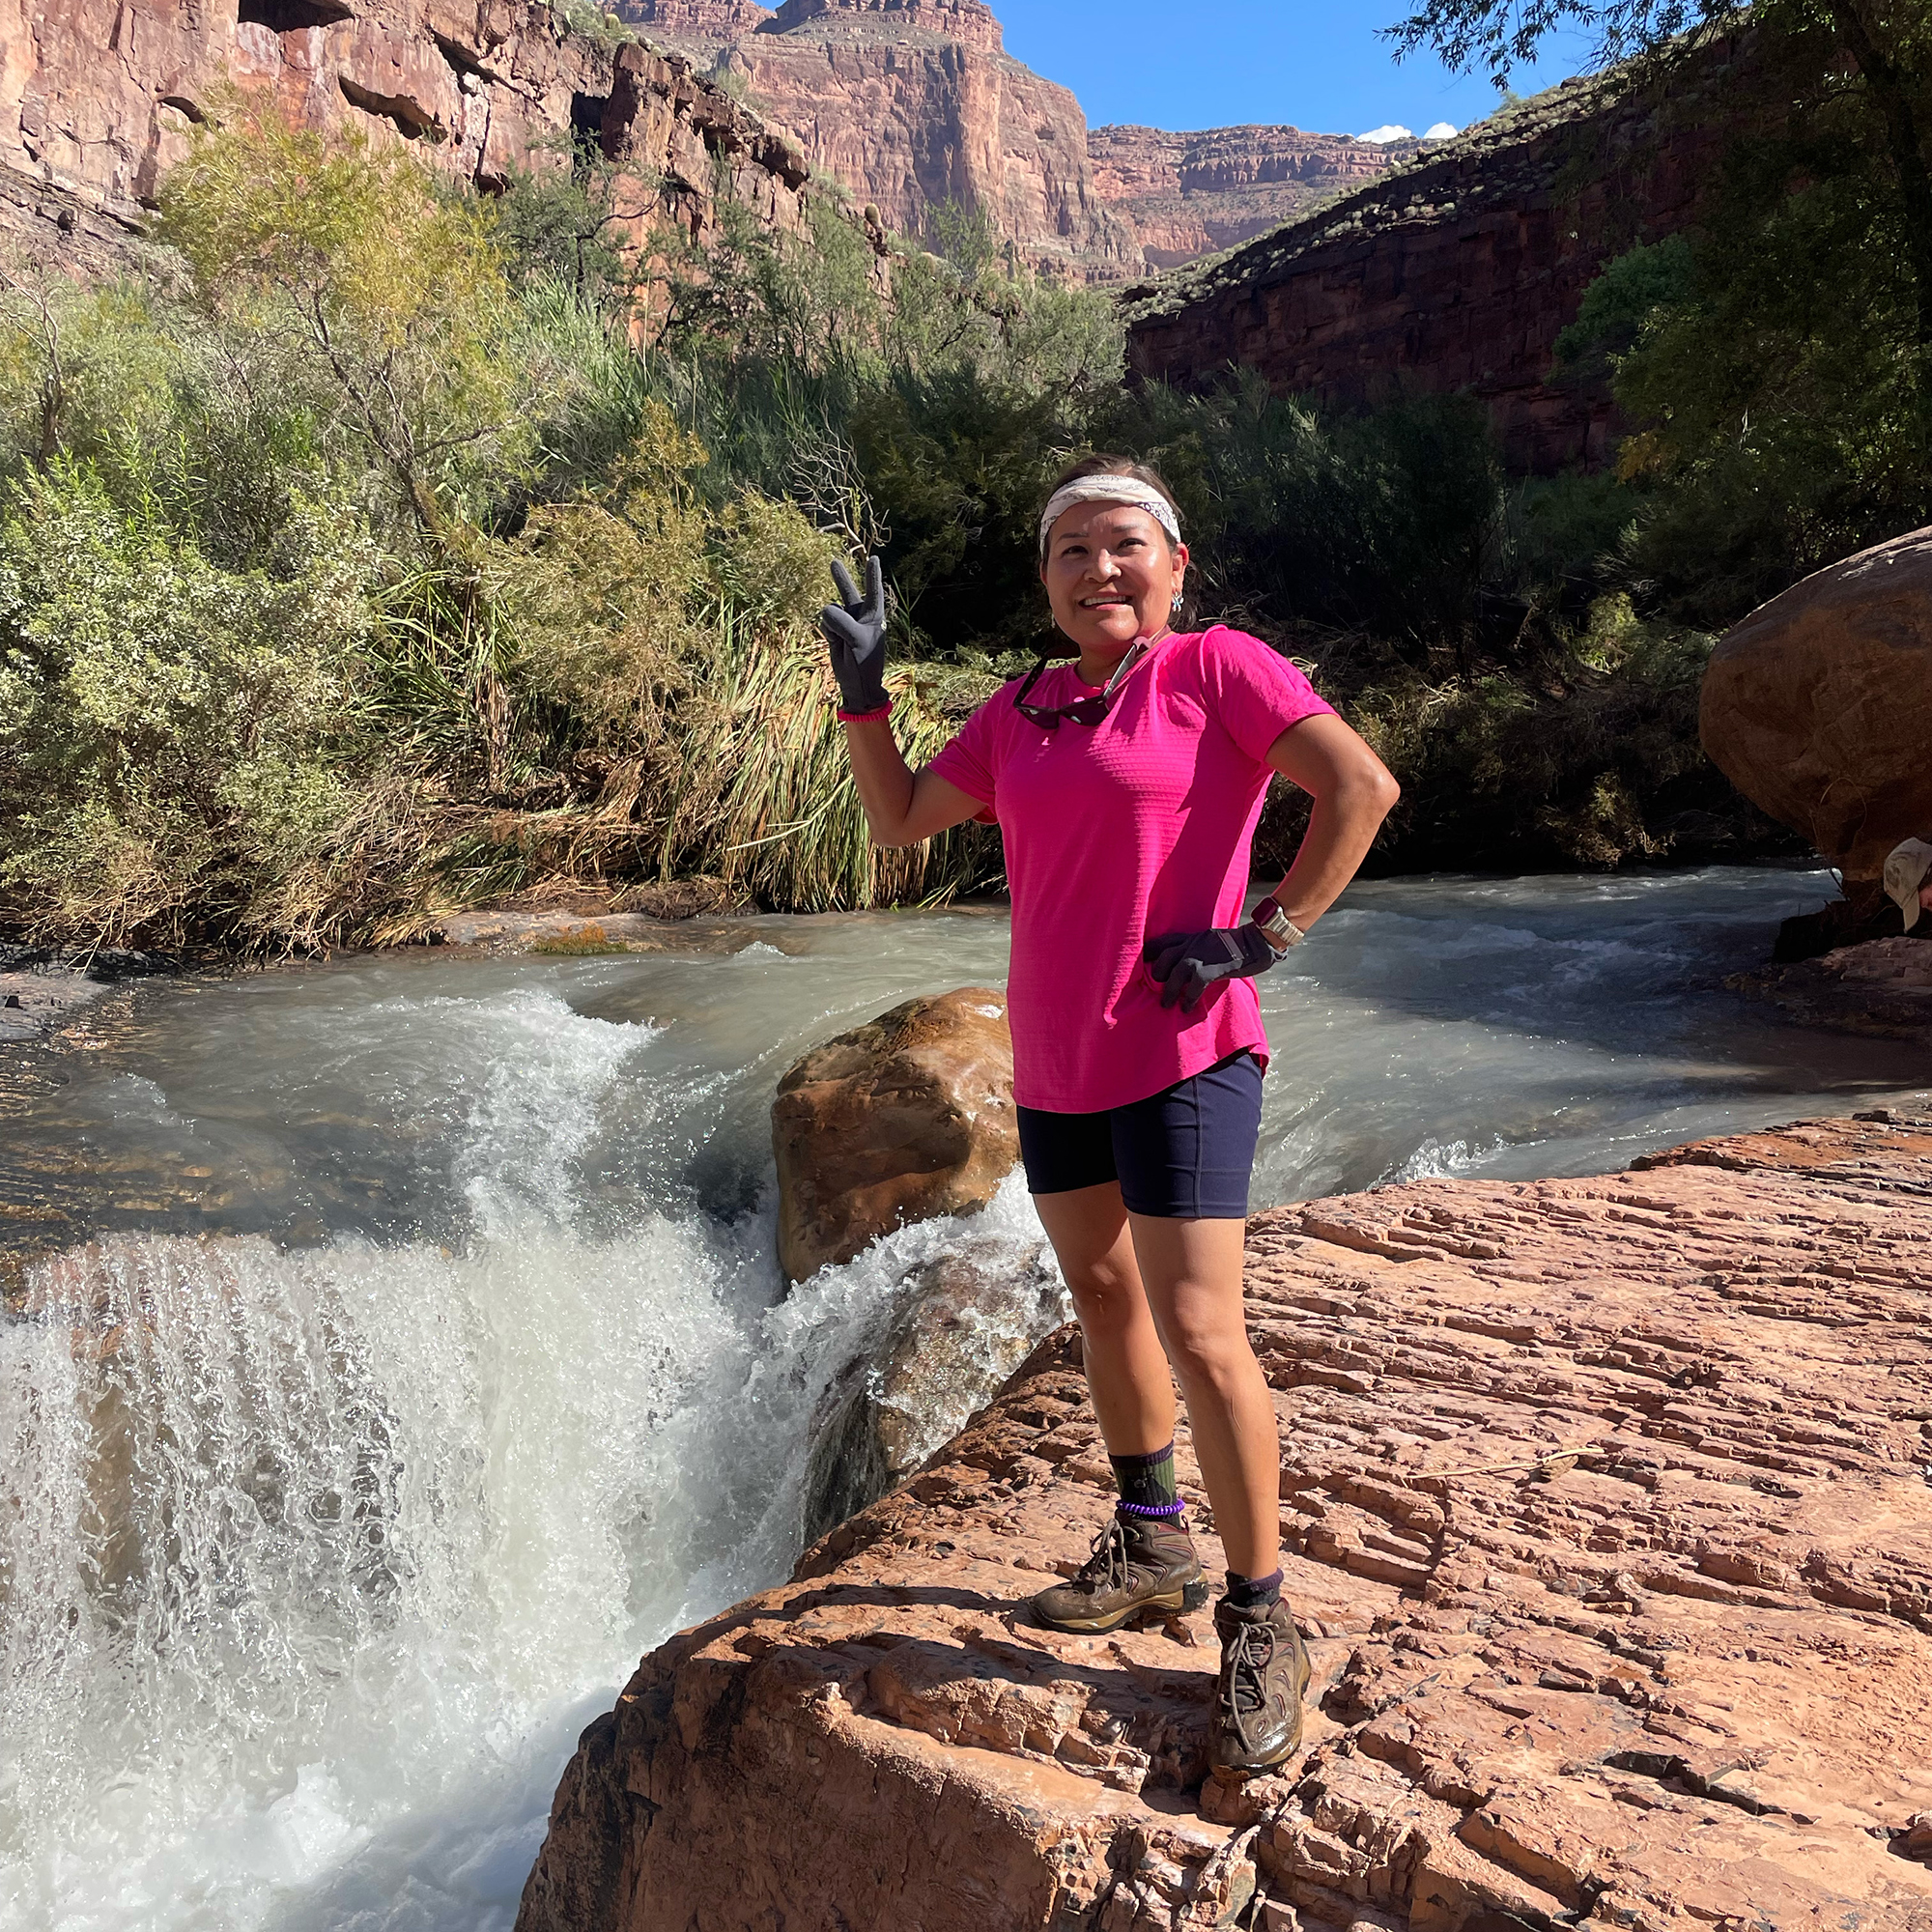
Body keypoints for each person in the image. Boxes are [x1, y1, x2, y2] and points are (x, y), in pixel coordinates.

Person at [820, 457, 1400, 1773]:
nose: (1099, 570)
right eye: (1072, 551)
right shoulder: (1020, 709)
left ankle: (1262, 1616)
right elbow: (902, 818)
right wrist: (864, 698)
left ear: (1175, 564)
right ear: (1047, 581)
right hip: (1058, 1057)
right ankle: (1150, 1540)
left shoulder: (1220, 670)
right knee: (1102, 1298)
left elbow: (1359, 789)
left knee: (1201, 1324)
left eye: (1124, 545)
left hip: (1190, 1048)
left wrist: (1264, 937)